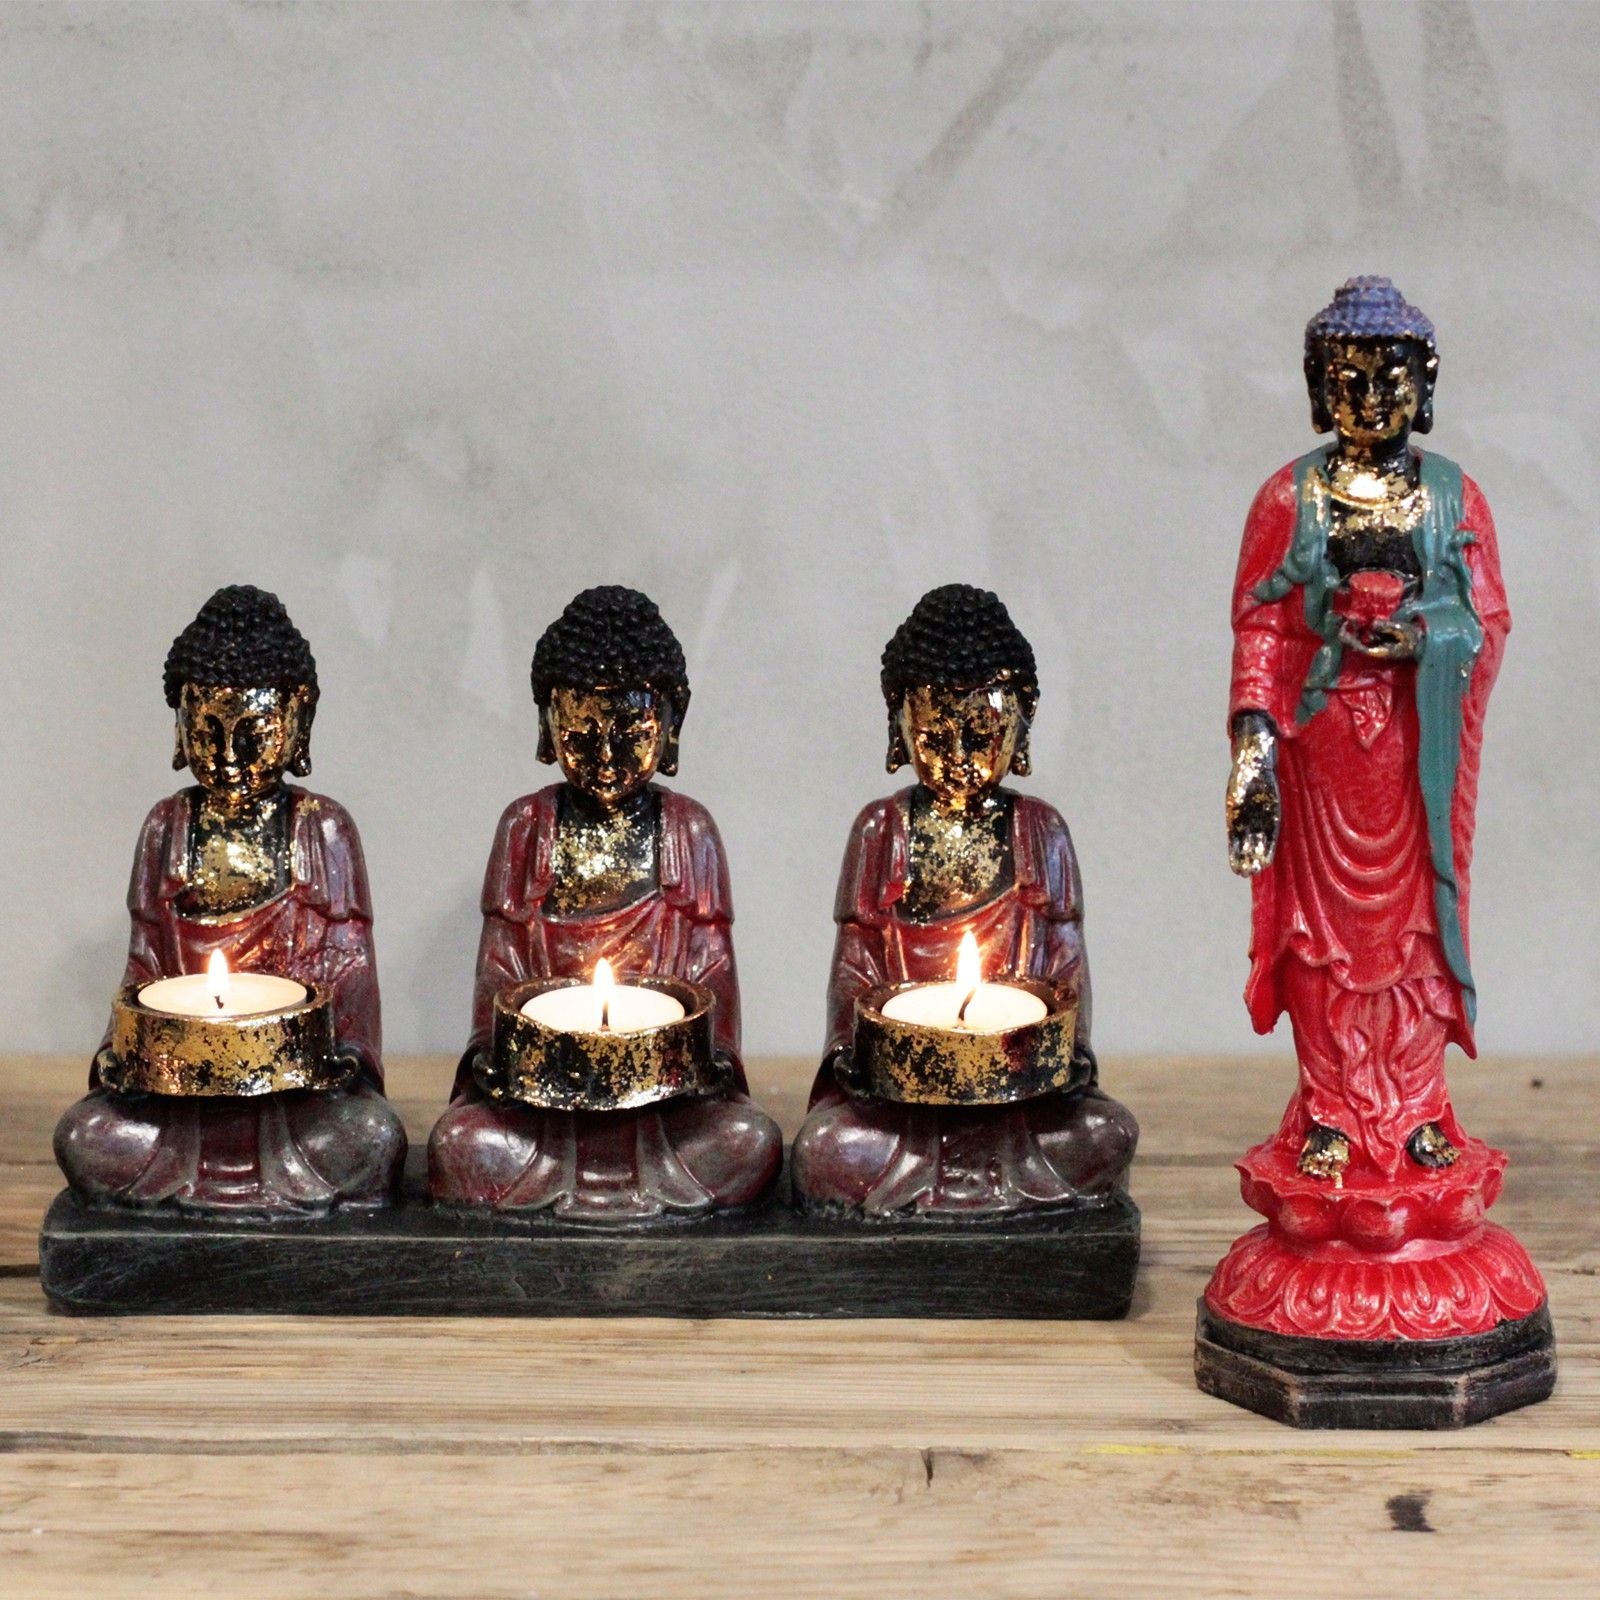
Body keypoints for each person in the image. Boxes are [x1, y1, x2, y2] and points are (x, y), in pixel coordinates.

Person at [1225, 277, 1510, 1182]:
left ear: (1426, 384)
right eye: (1348, 379)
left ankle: (1416, 1103)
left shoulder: (1453, 498)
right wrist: (1253, 752)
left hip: (1416, 751)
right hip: (1318, 748)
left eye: (1392, 378)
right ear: (1318, 386)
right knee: (1320, 940)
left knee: (1415, 934)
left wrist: (1424, 638)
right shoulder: (1288, 498)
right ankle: (1332, 1108)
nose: (1372, 398)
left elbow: (1489, 619)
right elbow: (1260, 628)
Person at [428, 586, 782, 1221]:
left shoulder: (688, 830)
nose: (608, 757)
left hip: (664, 1105)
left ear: (671, 726)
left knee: (750, 1143)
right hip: (543, 1102)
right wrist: (491, 1054)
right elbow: (500, 972)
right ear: (548, 727)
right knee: (461, 1146)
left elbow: (712, 977)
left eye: (631, 733)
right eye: (582, 734)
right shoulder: (527, 826)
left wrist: (713, 1061)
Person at [54, 585, 405, 1213]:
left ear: (297, 722)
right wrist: (118, 1051)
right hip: (178, 1096)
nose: (228, 758)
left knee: (372, 1139)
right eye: (208, 731)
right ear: (181, 726)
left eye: (253, 733)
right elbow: (143, 969)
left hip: (291, 1100)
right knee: (86, 1138)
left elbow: (349, 970)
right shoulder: (166, 827)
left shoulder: (321, 828)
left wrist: (345, 1057)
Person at [790, 583, 1136, 1217]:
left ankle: (967, 1183)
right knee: (823, 1149)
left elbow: (1065, 969)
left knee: (1107, 1133)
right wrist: (850, 1056)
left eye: (981, 736)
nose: (957, 759)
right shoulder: (881, 830)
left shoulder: (1040, 831)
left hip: (1015, 1101)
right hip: (901, 1103)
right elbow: (854, 970)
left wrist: (1070, 1056)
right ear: (900, 727)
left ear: (1020, 725)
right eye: (934, 736)